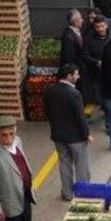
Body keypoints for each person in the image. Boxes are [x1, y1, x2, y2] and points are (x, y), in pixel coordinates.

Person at [45, 63, 92, 200]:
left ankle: (67, 193)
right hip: (76, 137)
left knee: (64, 164)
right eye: (76, 74)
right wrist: (86, 134)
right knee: (81, 165)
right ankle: (83, 193)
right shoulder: (74, 94)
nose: (78, 77)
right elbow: (80, 117)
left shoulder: (49, 90)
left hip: (58, 135)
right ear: (69, 75)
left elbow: (47, 112)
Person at [81, 15, 111, 109]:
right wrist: (96, 62)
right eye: (97, 27)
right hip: (95, 73)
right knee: (99, 95)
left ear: (106, 25)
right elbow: (85, 55)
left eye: (102, 26)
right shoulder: (89, 39)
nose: (100, 29)